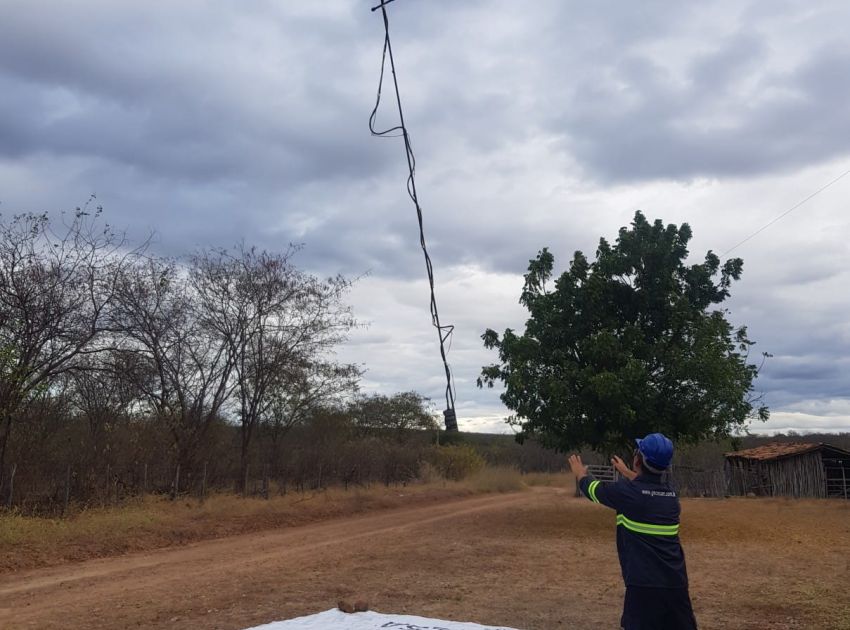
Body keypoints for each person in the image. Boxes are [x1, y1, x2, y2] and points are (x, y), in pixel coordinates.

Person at [568, 433, 697, 630]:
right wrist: (627, 472)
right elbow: (647, 488)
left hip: (643, 586)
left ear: (637, 459)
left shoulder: (627, 494)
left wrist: (580, 473)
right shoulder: (671, 496)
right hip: (676, 584)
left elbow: (593, 490)